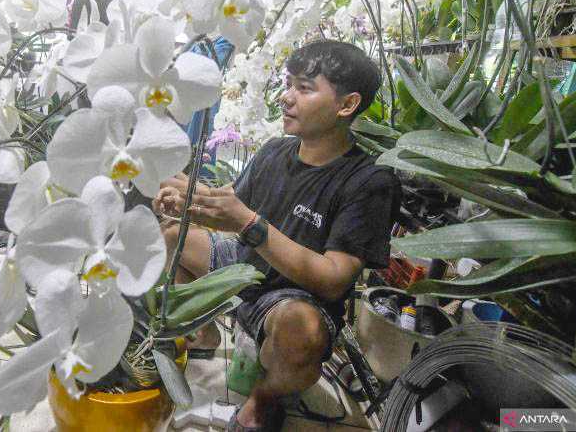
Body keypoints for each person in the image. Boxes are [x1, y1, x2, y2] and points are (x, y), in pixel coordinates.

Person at [153, 40, 401, 432]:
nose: (286, 97)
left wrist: (251, 225)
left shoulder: (369, 181)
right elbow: (231, 206)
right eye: (288, 85)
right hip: (244, 264)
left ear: (347, 105)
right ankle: (202, 335)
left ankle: (265, 398)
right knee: (171, 237)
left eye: (304, 88)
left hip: (292, 298)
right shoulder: (274, 152)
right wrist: (188, 201)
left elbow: (334, 279)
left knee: (302, 330)